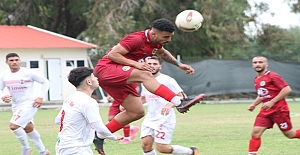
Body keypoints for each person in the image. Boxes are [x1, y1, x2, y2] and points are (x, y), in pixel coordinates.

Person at [93, 18, 204, 154]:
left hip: (118, 76)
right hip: (106, 69)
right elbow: (112, 54)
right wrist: (136, 64)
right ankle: (178, 102)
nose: (168, 40)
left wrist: (179, 65)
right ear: (153, 34)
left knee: (137, 111)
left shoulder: (155, 44)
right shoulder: (136, 39)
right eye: (166, 37)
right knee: (145, 74)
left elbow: (163, 53)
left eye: (170, 37)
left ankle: (99, 135)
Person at [55, 67, 123, 155]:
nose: (97, 78)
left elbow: (57, 120)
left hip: (62, 146)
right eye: (94, 76)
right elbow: (99, 127)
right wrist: (113, 136)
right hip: (76, 149)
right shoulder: (88, 101)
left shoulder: (70, 98)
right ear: (89, 82)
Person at [140, 56, 200, 155]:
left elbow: (181, 96)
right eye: (149, 64)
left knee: (162, 148)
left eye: (155, 64)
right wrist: (127, 106)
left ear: (160, 66)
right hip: (150, 118)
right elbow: (143, 98)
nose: (152, 66)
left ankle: (192, 152)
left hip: (164, 118)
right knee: (145, 145)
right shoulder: (145, 80)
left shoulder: (167, 80)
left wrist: (169, 106)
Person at [247, 56, 300, 155]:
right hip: (266, 111)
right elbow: (262, 94)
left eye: (260, 62)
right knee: (255, 132)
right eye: (255, 62)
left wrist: (272, 101)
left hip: (279, 110)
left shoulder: (272, 76)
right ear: (252, 65)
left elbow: (287, 89)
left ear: (266, 64)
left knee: (290, 134)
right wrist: (254, 104)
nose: (257, 64)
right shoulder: (257, 79)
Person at [0, 53, 51, 155]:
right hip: (16, 105)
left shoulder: (28, 73)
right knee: (28, 128)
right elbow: (0, 88)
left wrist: (40, 97)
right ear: (6, 62)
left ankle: (26, 148)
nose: (14, 62)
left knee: (13, 126)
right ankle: (43, 151)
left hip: (29, 104)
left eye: (16, 60)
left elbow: (45, 82)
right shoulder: (4, 75)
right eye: (11, 60)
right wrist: (3, 96)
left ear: (19, 61)